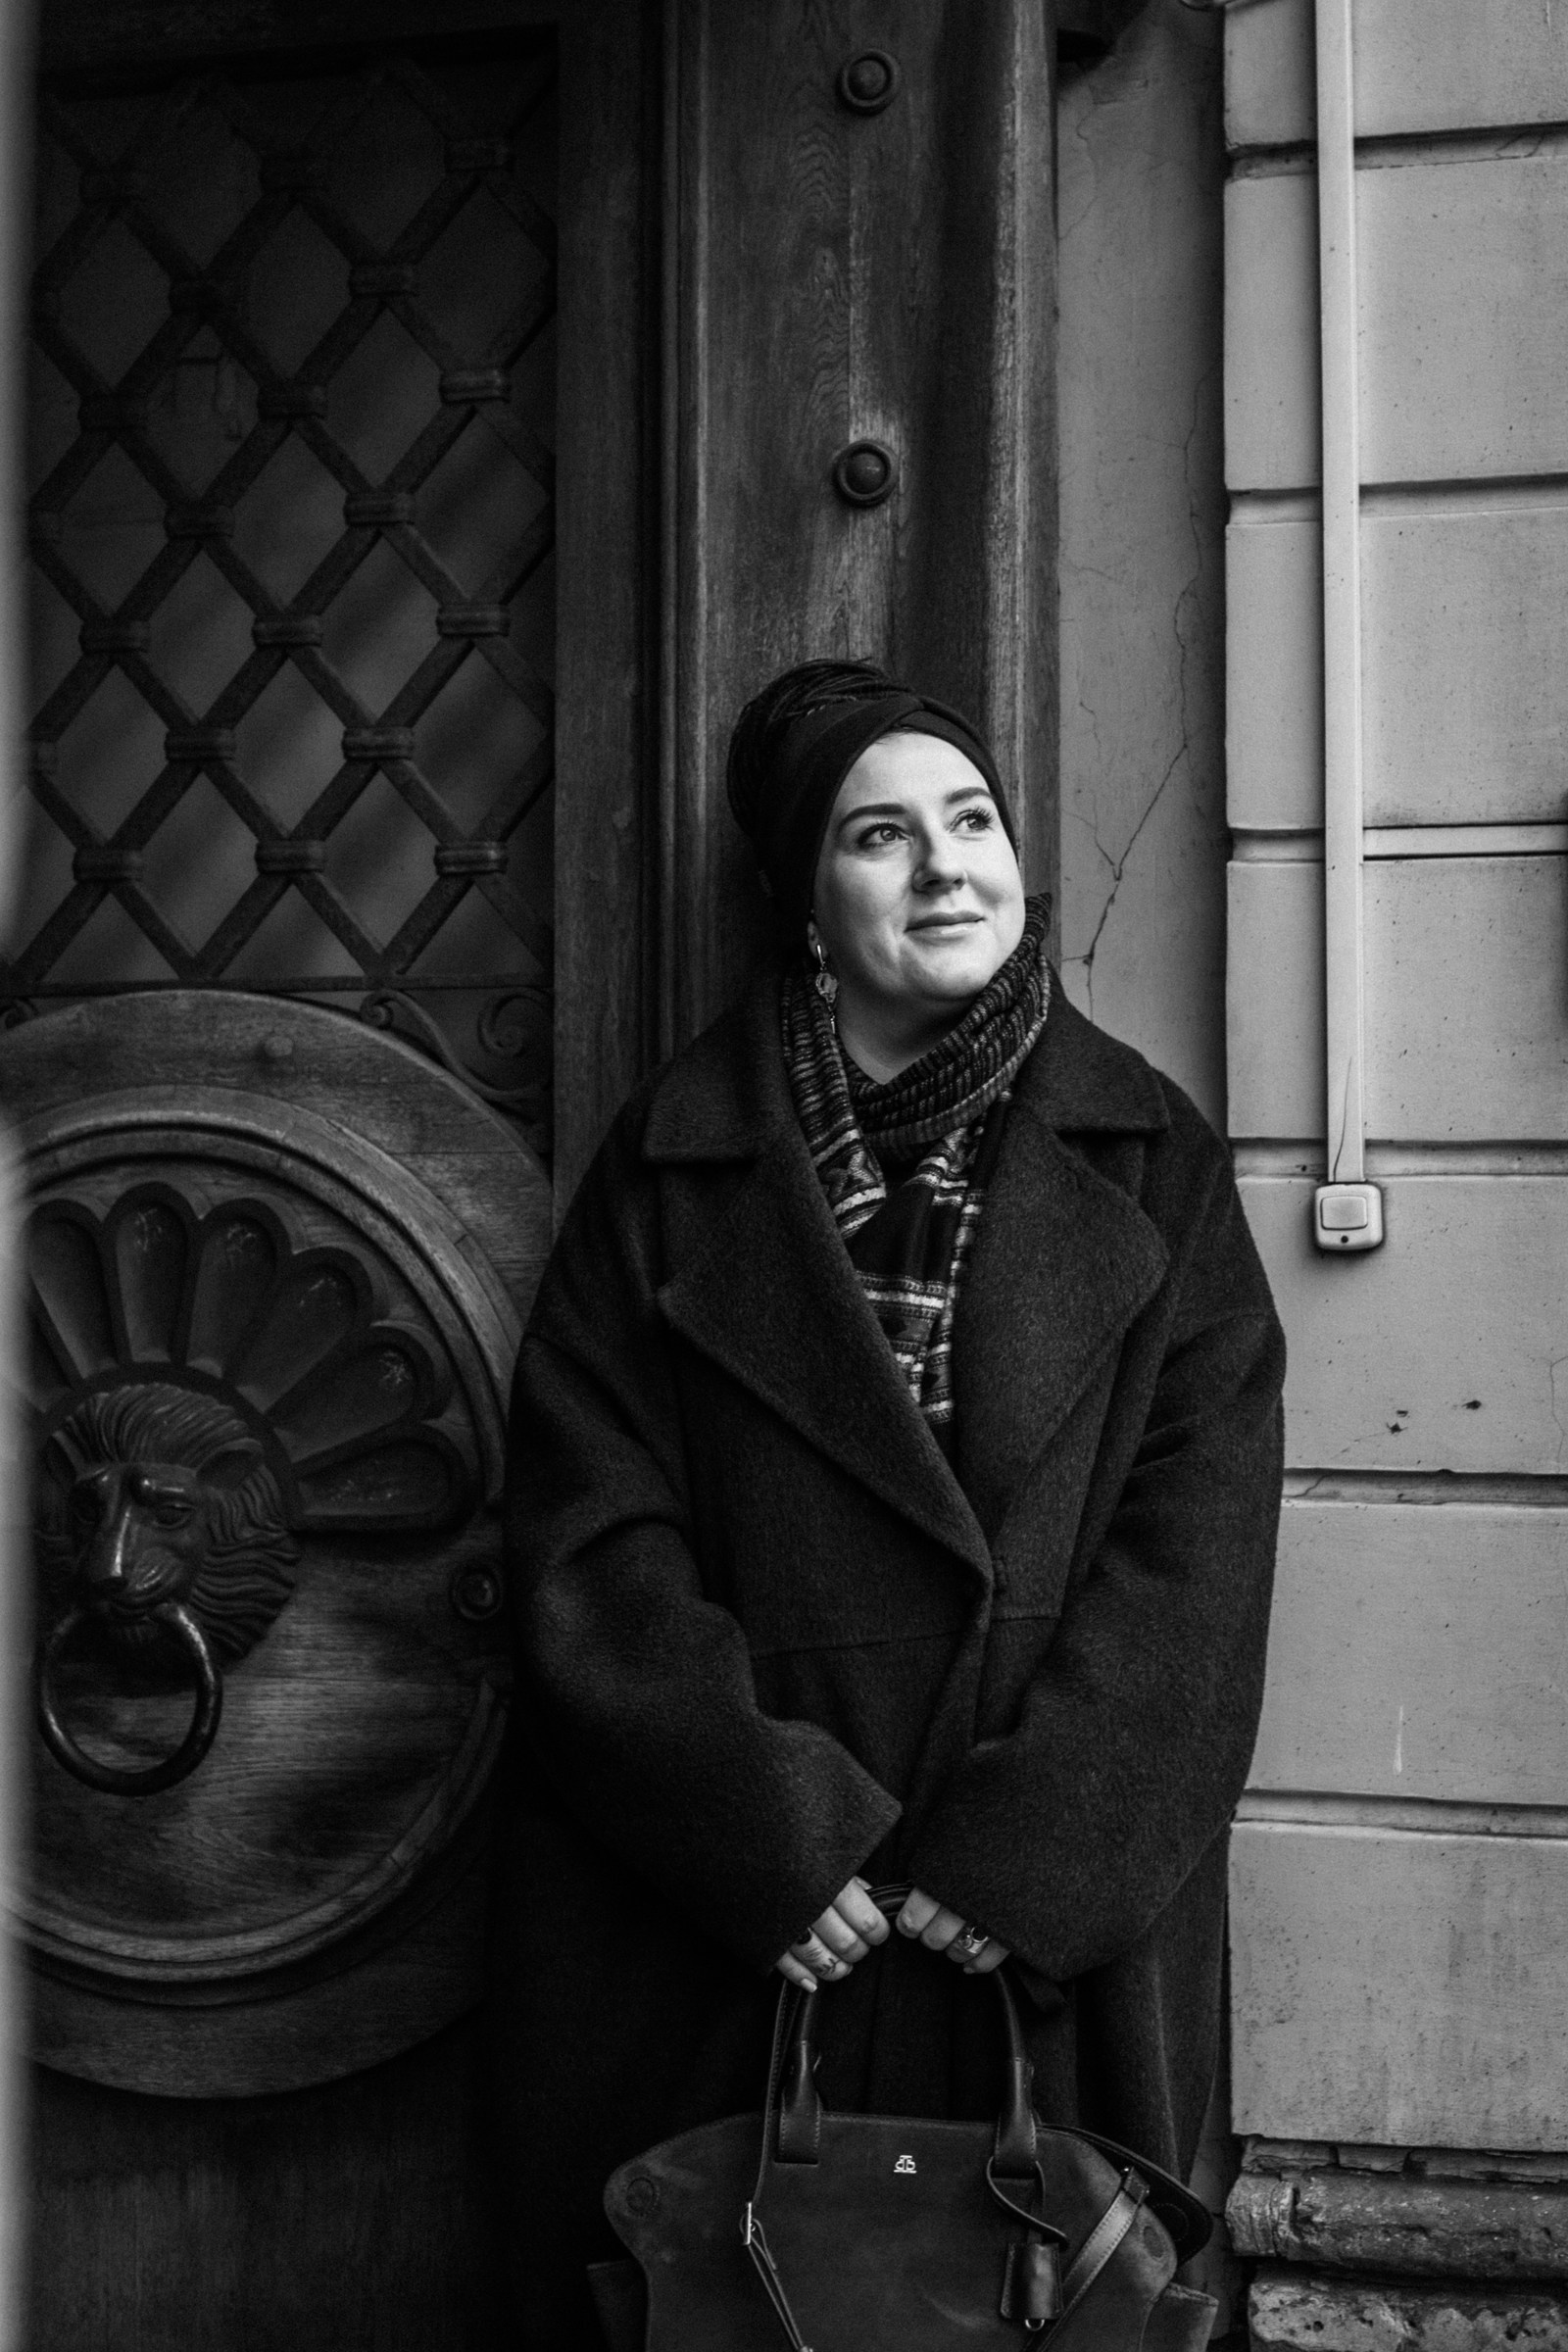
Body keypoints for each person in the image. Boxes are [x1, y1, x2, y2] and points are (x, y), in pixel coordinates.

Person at [490, 658, 1285, 2346]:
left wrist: (1034, 1855)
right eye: (880, 835)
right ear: (805, 902)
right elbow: (586, 1532)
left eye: (973, 820)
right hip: (762, 1932)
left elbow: (1202, 1547)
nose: (946, 868)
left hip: (1035, 1935)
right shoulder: (668, 1168)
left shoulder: (1155, 1158)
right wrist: (768, 1829)